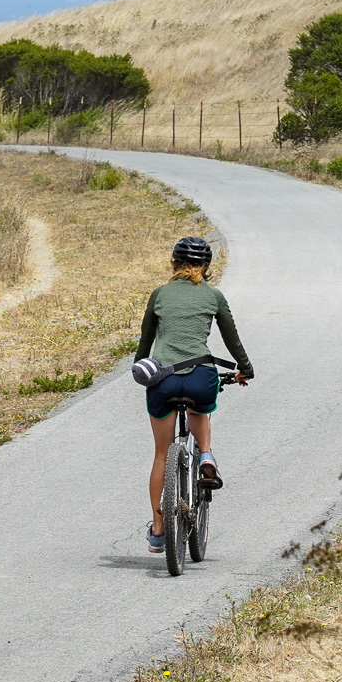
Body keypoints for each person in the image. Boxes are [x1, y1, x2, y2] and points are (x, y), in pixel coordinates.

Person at [133, 235, 253, 553]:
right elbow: (232, 338)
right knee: (201, 407)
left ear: (174, 263)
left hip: (163, 380)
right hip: (200, 376)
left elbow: (145, 343)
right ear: (208, 266)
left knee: (161, 454)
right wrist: (245, 368)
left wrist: (140, 369)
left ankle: (158, 530)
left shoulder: (159, 294)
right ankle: (206, 455)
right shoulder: (213, 296)